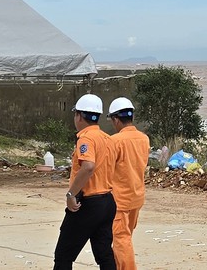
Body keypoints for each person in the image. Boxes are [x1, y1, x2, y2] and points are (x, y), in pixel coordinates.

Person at [53, 94, 116, 270]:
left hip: (88, 204)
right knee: (104, 255)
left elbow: (88, 166)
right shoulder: (108, 139)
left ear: (79, 116)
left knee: (63, 255)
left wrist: (71, 194)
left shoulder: (86, 138)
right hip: (107, 202)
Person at [106, 97, 150, 270]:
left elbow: (107, 169)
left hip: (119, 200)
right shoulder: (144, 139)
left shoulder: (115, 141)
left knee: (121, 240)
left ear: (116, 119)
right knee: (125, 238)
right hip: (136, 197)